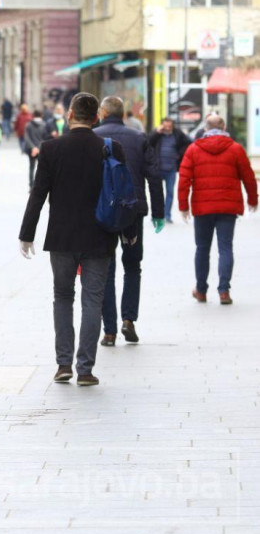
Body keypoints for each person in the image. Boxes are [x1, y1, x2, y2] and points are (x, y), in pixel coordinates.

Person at [19, 93, 134, 387]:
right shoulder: (111, 148)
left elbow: (38, 193)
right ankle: (85, 369)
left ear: (70, 114)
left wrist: (27, 234)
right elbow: (122, 194)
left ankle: (63, 365)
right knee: (92, 301)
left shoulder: (50, 148)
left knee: (62, 297)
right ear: (96, 117)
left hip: (62, 237)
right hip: (100, 236)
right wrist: (128, 230)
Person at [94, 96, 165, 347]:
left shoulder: (93, 137)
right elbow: (154, 177)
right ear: (123, 114)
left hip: (102, 213)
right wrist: (158, 212)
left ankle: (109, 331)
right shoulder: (138, 137)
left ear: (102, 113)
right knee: (133, 266)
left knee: (106, 269)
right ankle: (129, 320)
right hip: (132, 211)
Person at [178, 114, 258, 305]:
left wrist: (183, 206)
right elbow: (248, 176)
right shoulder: (236, 149)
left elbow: (184, 179)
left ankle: (201, 290)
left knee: (202, 249)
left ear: (205, 128)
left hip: (202, 207)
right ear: (224, 127)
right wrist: (253, 200)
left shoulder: (194, 149)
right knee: (225, 248)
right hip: (227, 207)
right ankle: (224, 291)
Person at [149, 117, 191, 223]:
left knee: (170, 192)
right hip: (158, 168)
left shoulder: (177, 134)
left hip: (171, 169)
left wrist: (179, 154)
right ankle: (158, 215)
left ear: (172, 125)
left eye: (169, 125)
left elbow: (188, 143)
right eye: (165, 125)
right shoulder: (157, 134)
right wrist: (157, 133)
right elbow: (148, 142)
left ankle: (167, 215)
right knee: (158, 193)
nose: (167, 127)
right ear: (162, 125)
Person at [23, 110, 48, 190]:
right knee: (42, 168)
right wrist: (38, 148)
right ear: (41, 115)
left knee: (31, 167)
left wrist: (33, 147)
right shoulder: (44, 125)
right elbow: (45, 138)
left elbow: (27, 138)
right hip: (42, 149)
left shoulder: (29, 125)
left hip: (31, 150)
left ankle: (31, 185)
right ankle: (40, 185)